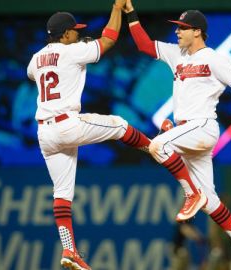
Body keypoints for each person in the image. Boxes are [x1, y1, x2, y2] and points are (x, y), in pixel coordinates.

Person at [122, 1, 231, 269]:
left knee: (158, 146)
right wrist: (130, 14)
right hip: (188, 133)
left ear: (198, 31)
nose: (177, 32)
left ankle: (191, 193)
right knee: (210, 201)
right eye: (177, 28)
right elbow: (144, 44)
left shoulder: (212, 58)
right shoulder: (175, 54)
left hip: (202, 126)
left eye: (183, 28)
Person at [26, 1, 154, 269]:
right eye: (73, 31)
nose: (76, 33)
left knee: (62, 193)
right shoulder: (72, 52)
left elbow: (33, 74)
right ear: (64, 34)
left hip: (45, 133)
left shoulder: (35, 58)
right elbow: (108, 39)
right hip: (66, 124)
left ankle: (69, 249)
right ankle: (154, 148)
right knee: (119, 124)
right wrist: (117, 9)